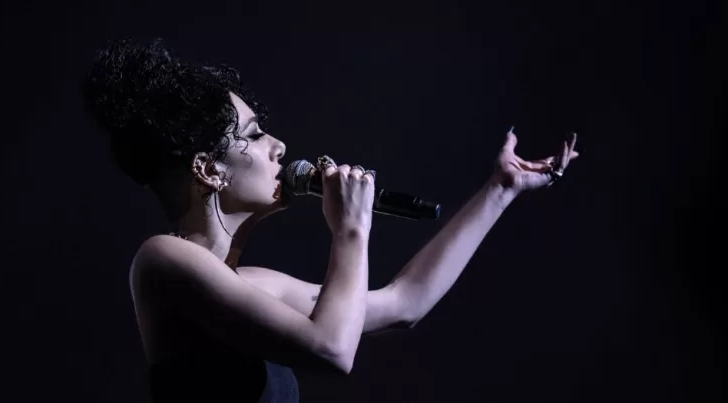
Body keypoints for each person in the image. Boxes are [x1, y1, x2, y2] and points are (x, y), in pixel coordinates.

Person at [82, 38, 578, 403]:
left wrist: (500, 189)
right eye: (253, 136)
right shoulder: (162, 260)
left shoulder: (253, 287)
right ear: (208, 169)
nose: (277, 145)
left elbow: (406, 303)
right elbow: (331, 350)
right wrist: (351, 230)